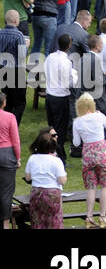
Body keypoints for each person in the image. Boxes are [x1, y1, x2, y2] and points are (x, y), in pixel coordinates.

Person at [70, 92, 106, 227]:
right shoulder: (99, 116)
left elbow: (76, 143)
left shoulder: (77, 122)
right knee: (105, 185)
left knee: (91, 187)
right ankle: (102, 216)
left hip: (88, 154)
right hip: (103, 153)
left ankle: (89, 217)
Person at [43, 32, 78, 160]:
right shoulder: (67, 61)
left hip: (50, 96)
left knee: (51, 126)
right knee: (60, 129)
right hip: (61, 98)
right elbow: (69, 81)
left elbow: (46, 72)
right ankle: (58, 155)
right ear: (69, 45)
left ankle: (53, 152)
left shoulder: (50, 57)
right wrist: (74, 78)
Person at [23, 129, 67, 229]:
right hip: (52, 192)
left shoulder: (32, 159)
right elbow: (62, 180)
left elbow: (28, 177)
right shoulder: (56, 161)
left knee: (37, 220)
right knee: (54, 220)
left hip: (36, 191)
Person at [0, 93, 19, 228]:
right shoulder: (10, 117)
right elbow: (15, 140)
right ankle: (5, 224)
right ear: (4, 103)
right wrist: (17, 158)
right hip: (7, 154)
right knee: (7, 192)